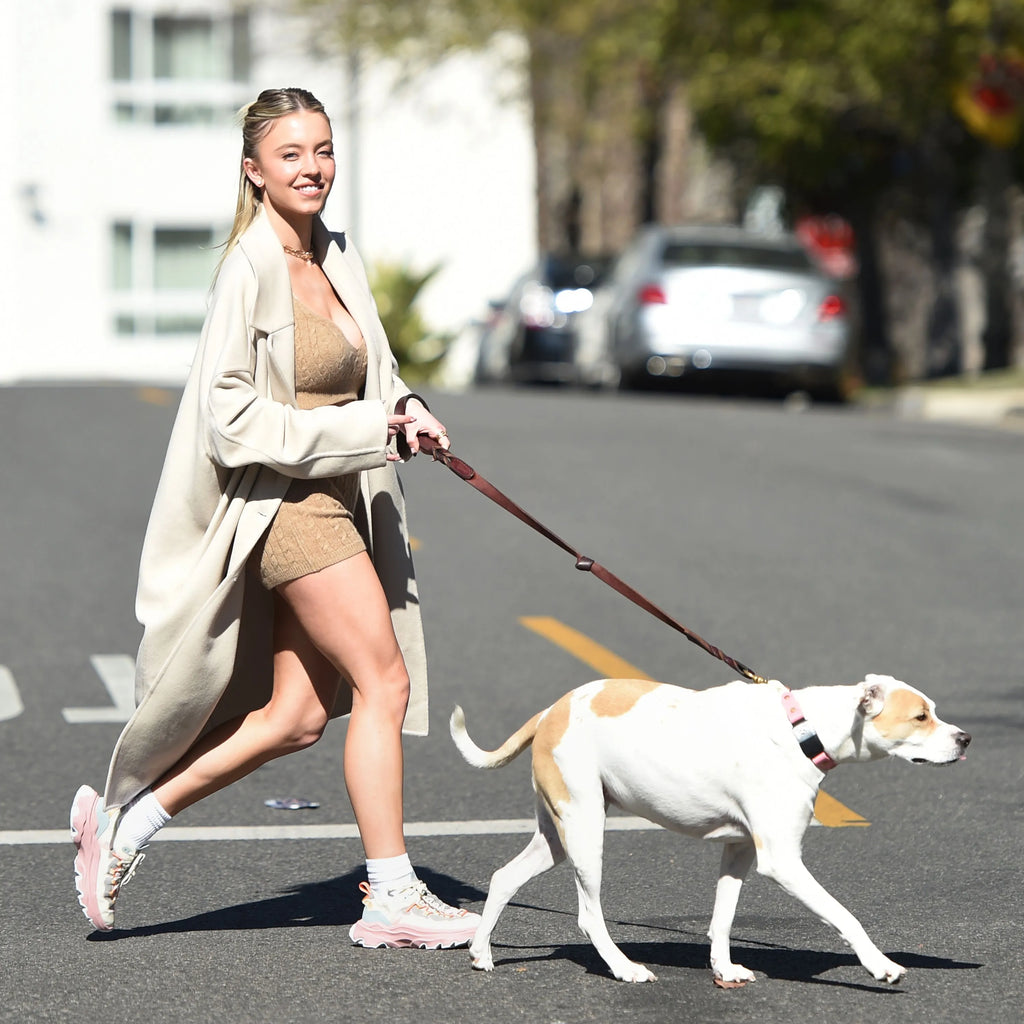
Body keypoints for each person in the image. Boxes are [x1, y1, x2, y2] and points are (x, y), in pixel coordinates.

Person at [70, 87, 479, 949]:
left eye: (323, 150)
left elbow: (374, 370)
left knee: (296, 717)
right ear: (254, 171)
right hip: (287, 505)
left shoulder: (336, 254)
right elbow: (230, 418)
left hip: (340, 496)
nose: (312, 168)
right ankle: (392, 894)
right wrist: (369, 430)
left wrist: (406, 407)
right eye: (291, 154)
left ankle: (125, 823)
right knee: (384, 682)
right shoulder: (249, 270)